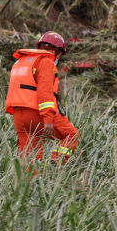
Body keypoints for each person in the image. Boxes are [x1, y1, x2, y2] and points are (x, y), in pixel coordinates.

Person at [4, 31, 79, 169]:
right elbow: (45, 93)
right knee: (71, 134)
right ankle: (56, 163)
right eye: (60, 54)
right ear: (55, 51)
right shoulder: (46, 62)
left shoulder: (21, 62)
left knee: (30, 159)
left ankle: (28, 185)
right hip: (37, 113)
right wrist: (48, 119)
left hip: (19, 116)